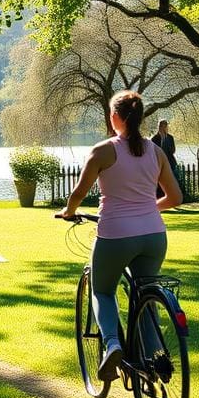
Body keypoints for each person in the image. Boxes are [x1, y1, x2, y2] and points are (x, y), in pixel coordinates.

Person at [59, 90, 182, 382]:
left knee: (102, 290)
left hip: (116, 234)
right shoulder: (156, 151)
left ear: (115, 117)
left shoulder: (103, 150)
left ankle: (112, 344)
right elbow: (175, 197)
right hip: (153, 235)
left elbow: (78, 192)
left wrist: (68, 211)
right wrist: (147, 208)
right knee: (146, 293)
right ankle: (153, 357)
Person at [151, 119, 180, 198]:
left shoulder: (170, 138)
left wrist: (165, 140)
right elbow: (155, 152)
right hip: (159, 164)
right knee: (160, 183)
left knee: (173, 180)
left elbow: (172, 150)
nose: (163, 128)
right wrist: (162, 141)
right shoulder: (154, 139)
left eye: (165, 126)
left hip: (170, 163)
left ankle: (173, 196)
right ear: (159, 127)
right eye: (162, 126)